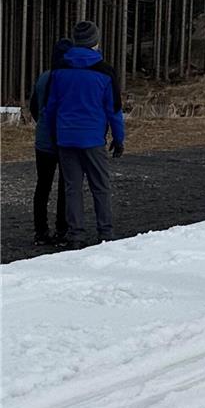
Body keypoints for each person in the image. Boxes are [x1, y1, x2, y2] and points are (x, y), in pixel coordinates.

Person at [45, 21, 125, 250]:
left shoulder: (60, 69)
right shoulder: (104, 71)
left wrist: (52, 135)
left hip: (65, 137)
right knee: (100, 186)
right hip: (93, 139)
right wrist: (119, 139)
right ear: (95, 42)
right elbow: (114, 110)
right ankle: (105, 233)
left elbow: (51, 107)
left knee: (72, 188)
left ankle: (75, 235)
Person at [29, 38, 72, 246]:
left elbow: (34, 107)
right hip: (65, 141)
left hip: (44, 141)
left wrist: (43, 125)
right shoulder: (70, 79)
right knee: (66, 186)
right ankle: (62, 229)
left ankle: (40, 231)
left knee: (42, 186)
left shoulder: (44, 77)